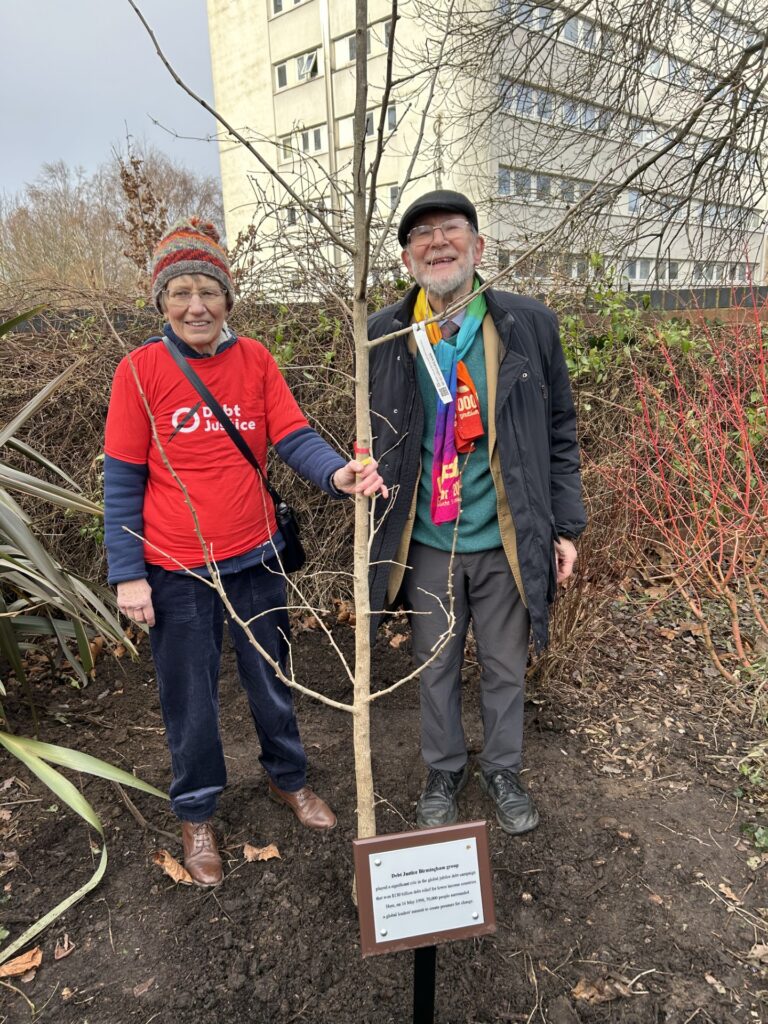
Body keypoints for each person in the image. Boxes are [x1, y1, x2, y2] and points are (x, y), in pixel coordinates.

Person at [104, 218, 386, 887]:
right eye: (181, 293)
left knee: (271, 678)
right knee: (189, 697)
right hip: (174, 567)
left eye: (208, 290)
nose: (196, 305)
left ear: (228, 299)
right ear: (162, 303)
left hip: (253, 556)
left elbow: (290, 433)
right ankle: (196, 812)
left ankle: (287, 778)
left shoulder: (255, 360)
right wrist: (128, 576)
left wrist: (335, 473)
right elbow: (121, 479)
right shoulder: (139, 372)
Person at [367, 190, 585, 835]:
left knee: (503, 665)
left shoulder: (527, 323)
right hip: (427, 539)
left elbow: (560, 430)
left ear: (479, 246)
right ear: (407, 259)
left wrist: (566, 526)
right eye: (421, 236)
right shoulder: (385, 333)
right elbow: (373, 431)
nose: (437, 243)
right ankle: (445, 768)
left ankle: (503, 768)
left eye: (450, 229)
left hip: (507, 536)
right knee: (433, 666)